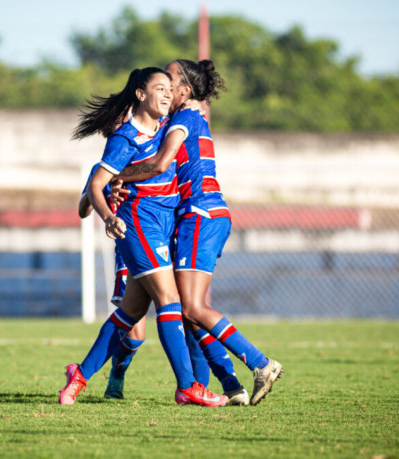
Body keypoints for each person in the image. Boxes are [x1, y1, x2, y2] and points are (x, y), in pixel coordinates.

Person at [114, 59, 283, 405]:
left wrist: (117, 175)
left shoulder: (184, 119)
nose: (163, 83)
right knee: (187, 308)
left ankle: (260, 363)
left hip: (199, 214)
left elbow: (160, 164)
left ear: (186, 90)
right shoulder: (189, 118)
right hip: (204, 215)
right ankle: (231, 386)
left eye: (170, 80)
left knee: (189, 307)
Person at [59, 67, 228, 407]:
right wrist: (107, 213)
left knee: (129, 314)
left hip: (164, 226)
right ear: (140, 95)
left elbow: (186, 124)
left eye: (171, 88)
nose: (168, 94)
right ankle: (187, 387)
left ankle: (80, 374)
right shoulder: (124, 138)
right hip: (139, 224)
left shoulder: (168, 127)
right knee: (170, 301)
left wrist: (197, 105)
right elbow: (94, 186)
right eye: (160, 88)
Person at [78, 164, 248, 404]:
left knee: (189, 313)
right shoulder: (105, 166)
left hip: (168, 244)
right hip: (132, 249)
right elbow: (82, 210)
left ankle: (224, 383)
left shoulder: (157, 159)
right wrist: (94, 196)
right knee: (135, 333)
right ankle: (117, 372)